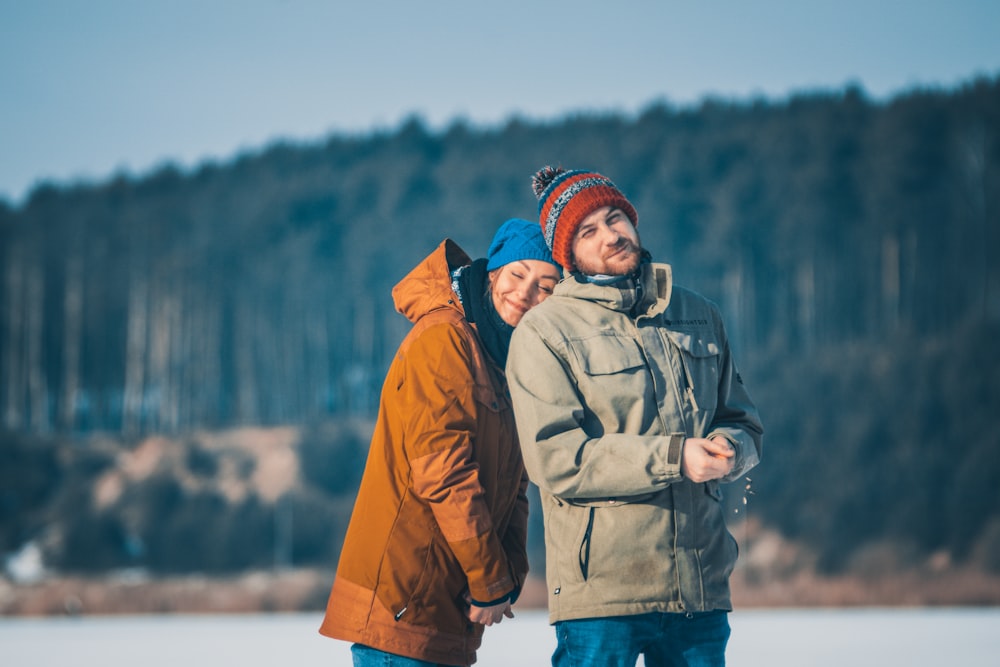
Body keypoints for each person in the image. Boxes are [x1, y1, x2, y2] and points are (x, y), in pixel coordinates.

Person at [506, 167, 764, 667]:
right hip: (603, 599)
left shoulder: (698, 314)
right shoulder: (544, 332)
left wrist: (731, 449)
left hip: (700, 590)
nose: (611, 235)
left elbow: (744, 421)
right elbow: (557, 460)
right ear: (568, 254)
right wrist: (675, 456)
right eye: (589, 230)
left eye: (616, 217)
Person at [319, 218, 562, 667]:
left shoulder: (502, 360)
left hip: (446, 605)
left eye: (546, 286)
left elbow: (515, 485)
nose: (526, 294)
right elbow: (444, 474)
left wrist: (508, 575)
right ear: (492, 274)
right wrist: (490, 579)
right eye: (517, 275)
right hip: (406, 600)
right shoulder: (446, 340)